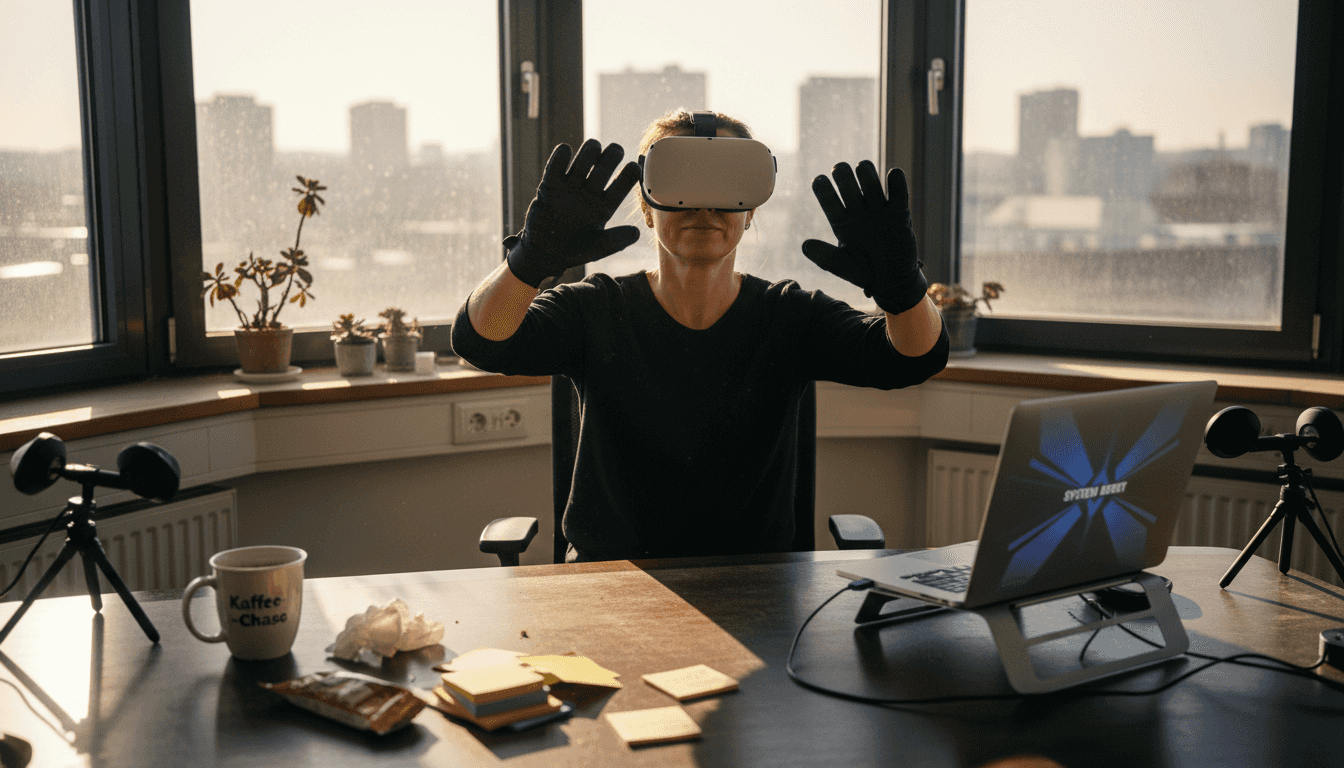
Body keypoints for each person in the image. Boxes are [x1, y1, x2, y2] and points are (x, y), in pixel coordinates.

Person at [452, 110, 948, 562]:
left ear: (751, 210)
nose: (704, 206)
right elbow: (481, 340)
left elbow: (911, 358)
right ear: (647, 207)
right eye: (682, 183)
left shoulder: (789, 315)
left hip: (758, 582)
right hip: (612, 581)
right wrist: (529, 261)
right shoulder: (594, 309)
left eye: (727, 185)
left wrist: (904, 289)